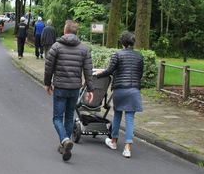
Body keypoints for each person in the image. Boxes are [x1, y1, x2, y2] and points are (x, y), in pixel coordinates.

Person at [44, 20, 94, 162]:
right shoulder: (84, 49)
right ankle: (64, 145)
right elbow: (88, 71)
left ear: (65, 31)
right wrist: (90, 89)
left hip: (60, 87)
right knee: (69, 116)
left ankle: (65, 140)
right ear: (75, 32)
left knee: (57, 118)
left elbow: (49, 67)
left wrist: (47, 83)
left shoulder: (56, 47)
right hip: (75, 88)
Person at [95, 31, 144, 158]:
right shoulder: (139, 56)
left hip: (120, 89)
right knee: (129, 118)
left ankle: (114, 141)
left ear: (122, 42)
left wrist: (98, 74)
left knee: (117, 115)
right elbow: (140, 74)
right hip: (134, 89)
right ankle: (127, 148)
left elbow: (109, 71)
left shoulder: (117, 55)